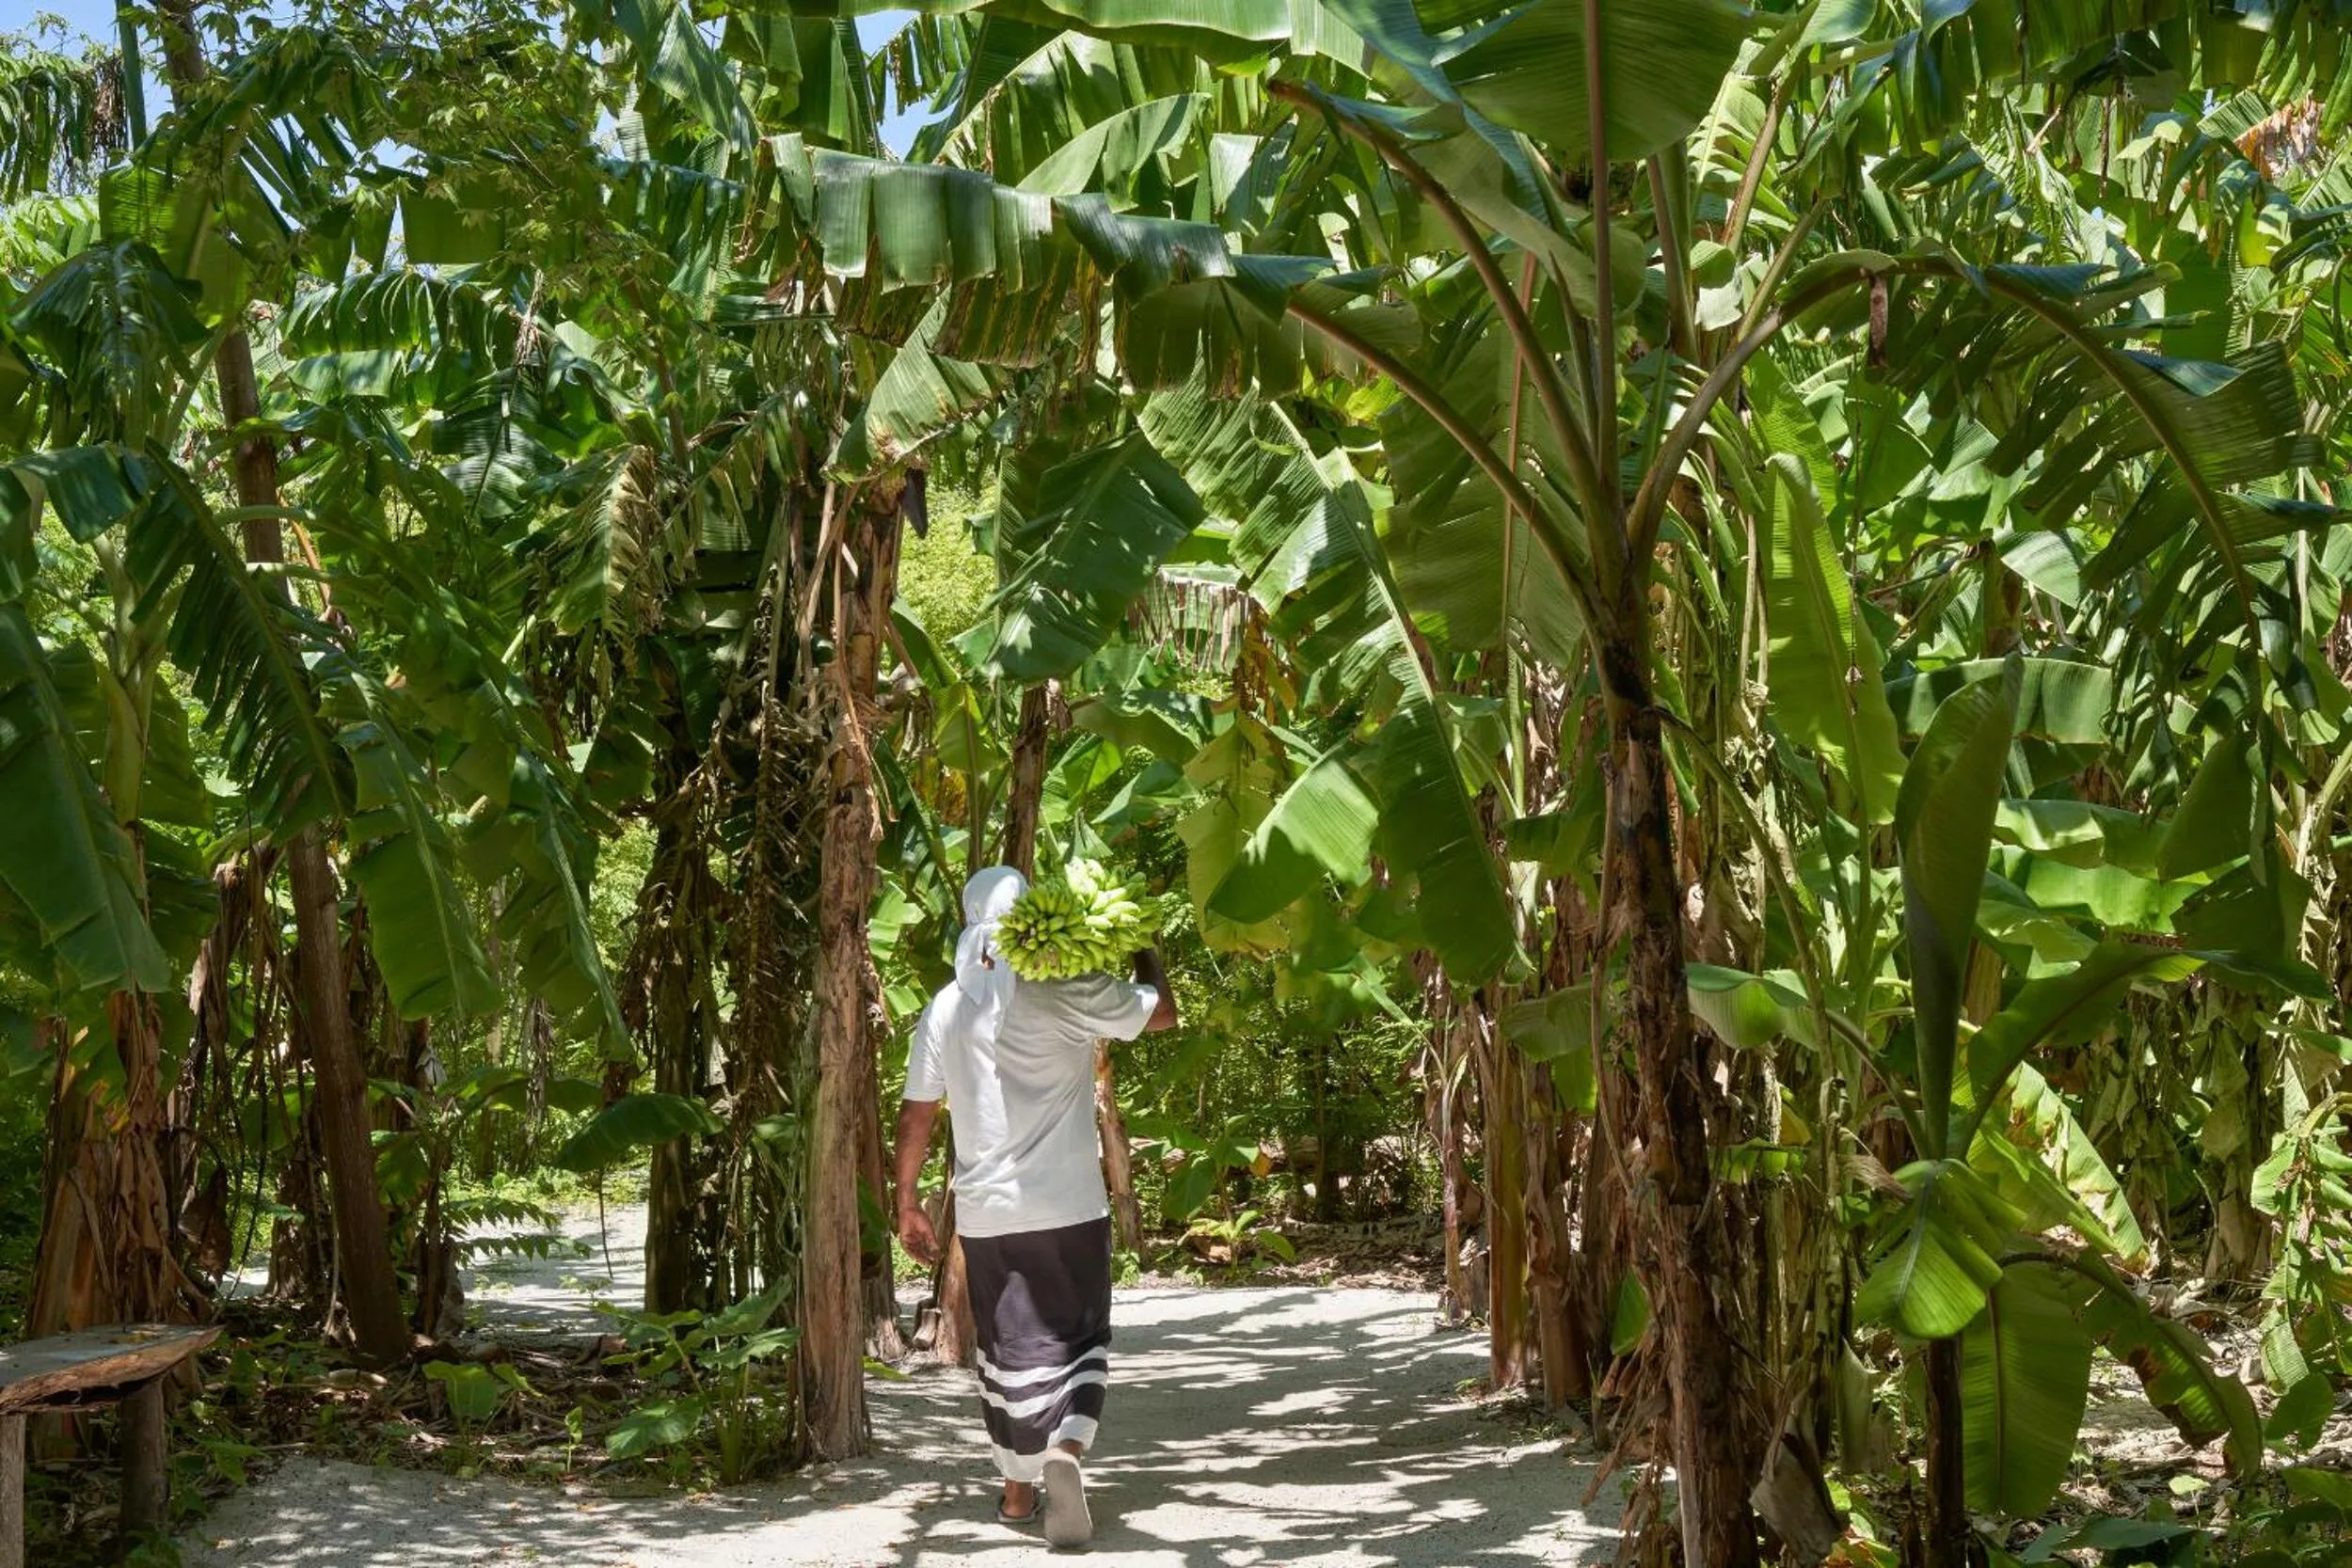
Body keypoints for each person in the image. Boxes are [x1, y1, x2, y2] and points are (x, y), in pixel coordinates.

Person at [892, 865, 1179, 1549]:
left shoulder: (948, 1006)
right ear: (1028, 916)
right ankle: (1067, 1450)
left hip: (988, 1212)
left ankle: (1017, 1493)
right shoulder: (1066, 988)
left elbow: (918, 1112)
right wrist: (1145, 946)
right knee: (1079, 1340)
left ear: (969, 922)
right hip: (1071, 1203)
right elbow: (1161, 1012)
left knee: (1006, 1352)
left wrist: (907, 1201)